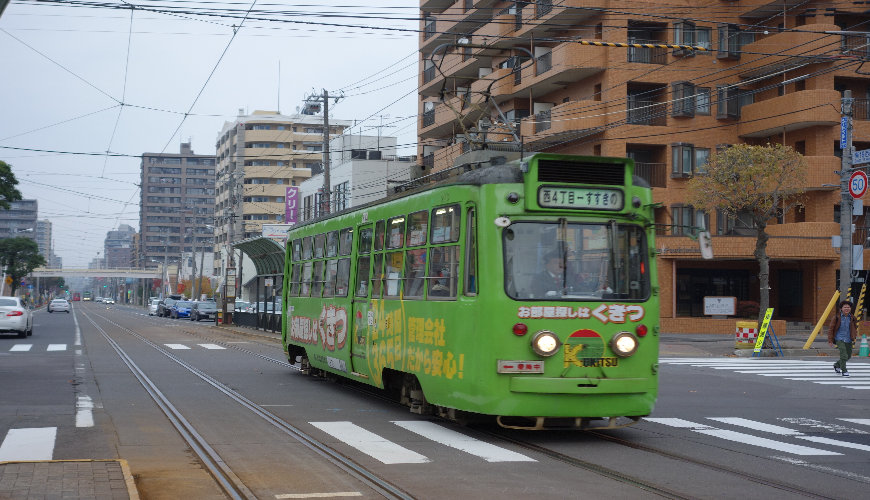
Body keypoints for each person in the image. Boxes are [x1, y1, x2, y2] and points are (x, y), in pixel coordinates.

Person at [828, 299, 858, 377]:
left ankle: (836, 365)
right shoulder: (836, 317)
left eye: (848, 307)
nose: (847, 309)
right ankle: (844, 371)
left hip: (848, 339)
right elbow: (831, 329)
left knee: (848, 356)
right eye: (845, 307)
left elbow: (854, 327)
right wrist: (830, 340)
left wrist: (854, 336)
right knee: (844, 355)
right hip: (839, 339)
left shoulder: (853, 318)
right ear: (841, 308)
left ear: (850, 309)